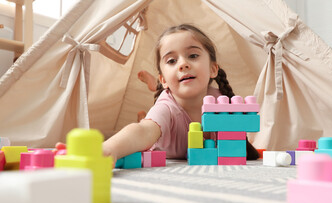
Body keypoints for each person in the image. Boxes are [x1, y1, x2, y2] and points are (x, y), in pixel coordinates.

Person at [57, 24, 259, 161]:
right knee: (137, 130)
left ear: (213, 69)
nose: (183, 64)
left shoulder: (221, 101)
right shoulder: (168, 106)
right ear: (163, 80)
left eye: (193, 55)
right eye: (172, 61)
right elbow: (142, 131)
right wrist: (107, 151)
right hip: (154, 144)